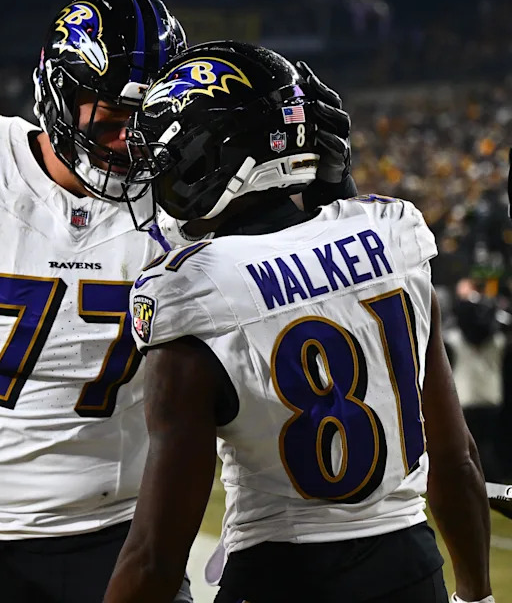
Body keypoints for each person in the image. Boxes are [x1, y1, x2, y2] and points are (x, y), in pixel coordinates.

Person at [0, 0, 354, 603]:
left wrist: (329, 189)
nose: (126, 144)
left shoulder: (189, 202)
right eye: (111, 120)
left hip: (123, 539)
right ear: (60, 95)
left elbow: (308, 299)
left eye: (144, 124)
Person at [105, 41, 493, 603]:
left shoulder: (192, 288)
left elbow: (156, 556)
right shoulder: (394, 234)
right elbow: (456, 459)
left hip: (281, 577)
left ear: (207, 156)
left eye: (165, 154)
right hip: (411, 569)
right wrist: (476, 594)